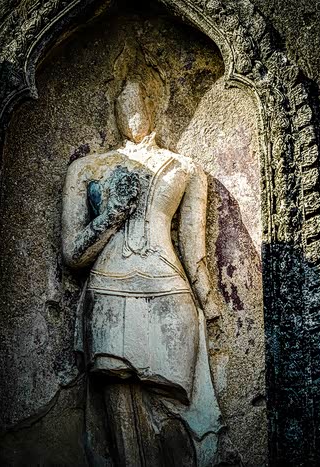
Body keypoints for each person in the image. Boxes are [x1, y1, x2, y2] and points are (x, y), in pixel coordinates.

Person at [61, 79, 224, 466]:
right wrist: (112, 213)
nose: (133, 108)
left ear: (155, 105)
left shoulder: (186, 168)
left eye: (141, 99)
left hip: (169, 293)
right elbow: (73, 255)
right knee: (118, 404)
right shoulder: (87, 168)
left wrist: (209, 303)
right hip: (109, 291)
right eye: (124, 101)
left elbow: (193, 248)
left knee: (178, 415)